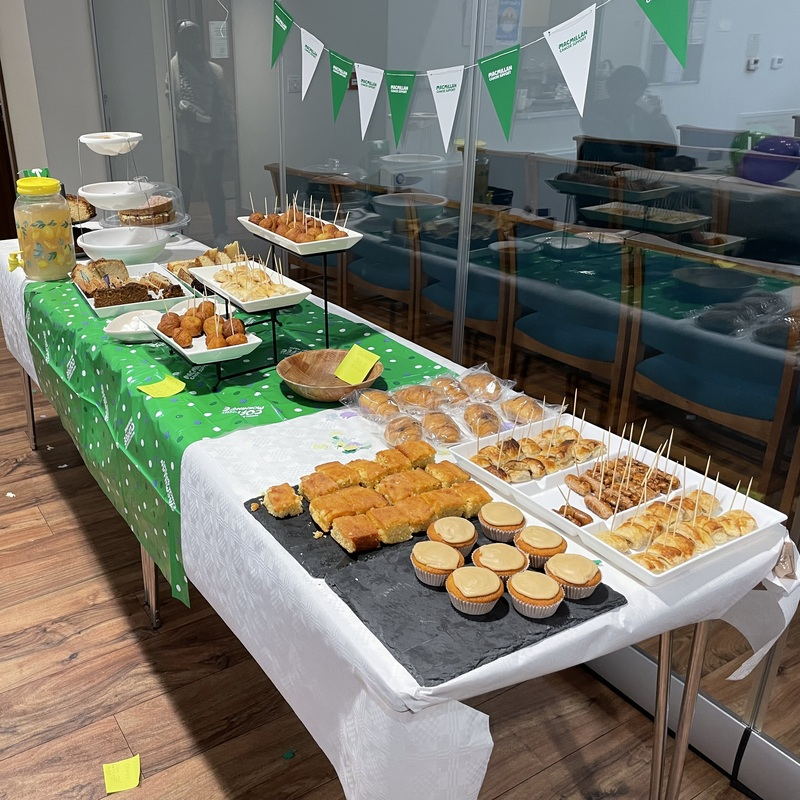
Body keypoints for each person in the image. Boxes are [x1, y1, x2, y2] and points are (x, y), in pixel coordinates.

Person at [167, 20, 234, 245]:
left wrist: (214, 122)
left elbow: (225, 106)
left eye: (194, 37)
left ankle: (220, 232)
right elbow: (169, 104)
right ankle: (181, 232)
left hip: (212, 139)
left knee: (214, 186)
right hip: (185, 140)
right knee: (183, 188)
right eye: (186, 37)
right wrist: (182, 112)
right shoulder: (173, 71)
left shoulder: (215, 71)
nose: (191, 42)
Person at [580, 65, 694, 172]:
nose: (633, 96)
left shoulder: (639, 115)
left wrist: (657, 117)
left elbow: (670, 150)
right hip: (602, 180)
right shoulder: (597, 116)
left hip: (636, 177)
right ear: (613, 90)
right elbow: (613, 157)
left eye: (637, 91)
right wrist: (661, 162)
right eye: (628, 90)